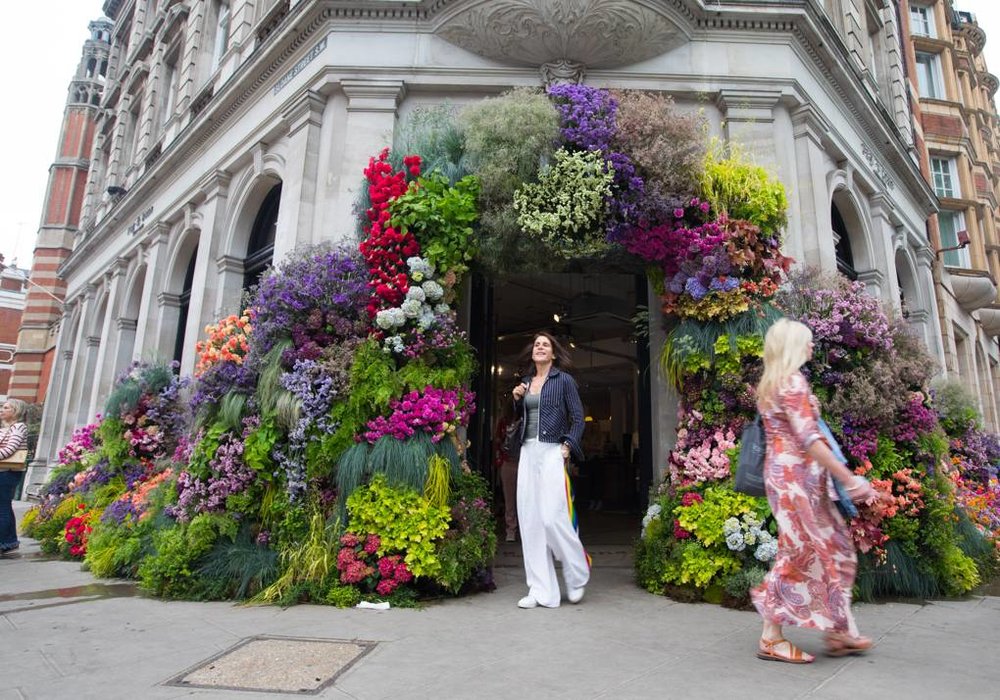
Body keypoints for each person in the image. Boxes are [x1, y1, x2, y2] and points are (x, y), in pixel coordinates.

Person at [751, 319, 880, 663]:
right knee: (798, 555)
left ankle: (840, 631)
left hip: (793, 481)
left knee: (834, 548)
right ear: (794, 345)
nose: (812, 347)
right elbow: (810, 440)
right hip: (796, 483)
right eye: (807, 342)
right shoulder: (791, 383)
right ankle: (771, 637)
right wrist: (851, 480)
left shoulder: (773, 384)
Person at [510, 332, 590, 608]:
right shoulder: (526, 382)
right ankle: (540, 591)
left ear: (553, 353)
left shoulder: (563, 381)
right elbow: (521, 419)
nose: (540, 347)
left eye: (545, 344)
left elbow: (578, 418)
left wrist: (568, 445)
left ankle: (577, 571)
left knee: (552, 516)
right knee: (530, 520)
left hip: (552, 451)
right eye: (536, 344)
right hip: (527, 452)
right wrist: (517, 399)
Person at [0, 398, 29, 558]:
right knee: (4, 507)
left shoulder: (18, 427)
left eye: (6, 408)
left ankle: (3, 543)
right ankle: (9, 541)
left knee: (2, 508)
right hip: (2, 470)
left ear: (15, 411)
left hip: (7, 472)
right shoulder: (5, 428)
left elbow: (10, 450)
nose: (2, 410)